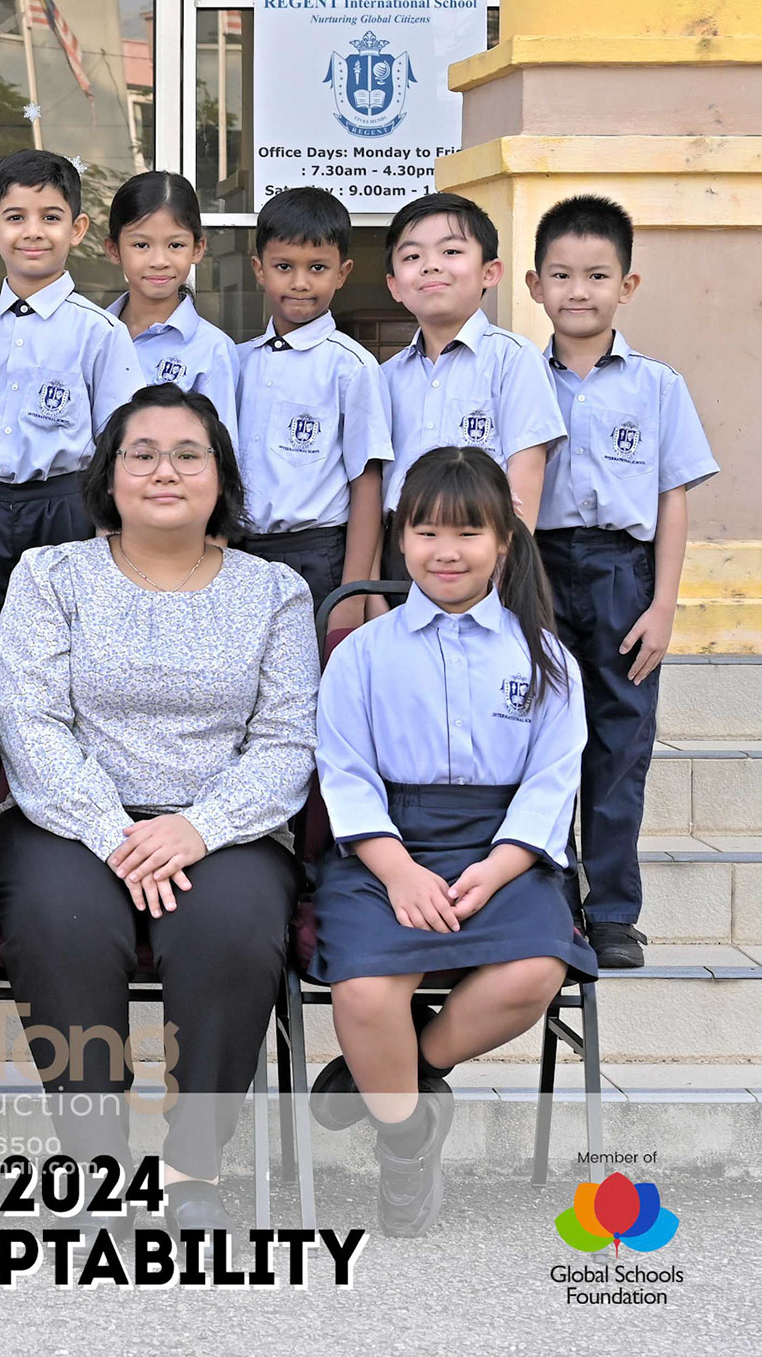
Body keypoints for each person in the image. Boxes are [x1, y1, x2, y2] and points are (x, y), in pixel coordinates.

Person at [0, 383, 317, 1237]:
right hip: (67, 822)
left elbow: (287, 742)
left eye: (188, 454)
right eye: (142, 454)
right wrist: (114, 832)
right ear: (108, 475)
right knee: (64, 922)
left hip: (223, 828)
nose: (165, 470)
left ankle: (191, 1164)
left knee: (232, 928)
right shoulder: (49, 575)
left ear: (220, 475)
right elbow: (28, 720)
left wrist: (197, 827)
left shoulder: (274, 592)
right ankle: (97, 1163)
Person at [310, 447, 598, 1238]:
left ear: (504, 540)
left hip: (502, 846)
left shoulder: (545, 658)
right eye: (427, 531)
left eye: (468, 532)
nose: (446, 551)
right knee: (365, 991)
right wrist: (397, 869)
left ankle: (405, 1067)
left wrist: (500, 867)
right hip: (385, 847)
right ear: (400, 537)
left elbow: (552, 781)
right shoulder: (362, 652)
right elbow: (344, 771)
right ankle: (407, 1141)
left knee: (535, 969)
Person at [527, 195, 719, 969]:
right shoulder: (519, 376)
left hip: (622, 573)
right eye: (562, 275)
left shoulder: (657, 385)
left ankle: (610, 911)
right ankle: (549, 901)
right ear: (535, 284)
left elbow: (672, 498)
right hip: (536, 566)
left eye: (597, 275)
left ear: (626, 286)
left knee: (619, 742)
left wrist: (663, 605)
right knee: (541, 736)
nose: (579, 291)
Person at [0, 149, 142, 679]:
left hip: (66, 507)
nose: (33, 232)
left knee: (64, 647)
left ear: (76, 229)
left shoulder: (100, 333)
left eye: (50, 217)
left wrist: (110, 534)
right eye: (16, 217)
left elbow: (123, 447)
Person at [235, 187, 393, 624]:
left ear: (342, 273)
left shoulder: (352, 367)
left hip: (317, 557)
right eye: (284, 266)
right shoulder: (237, 362)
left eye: (317, 268)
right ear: (259, 269)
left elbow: (366, 484)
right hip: (239, 555)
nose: (300, 283)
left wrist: (352, 595)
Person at [379, 193, 565, 550]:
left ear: (489, 272)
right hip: (400, 549)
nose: (431, 266)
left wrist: (507, 566)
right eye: (412, 257)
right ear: (394, 285)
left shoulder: (513, 360)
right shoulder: (385, 377)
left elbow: (526, 472)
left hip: (483, 550)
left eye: (451, 251)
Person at [103, 170, 239, 445]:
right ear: (114, 249)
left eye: (175, 245)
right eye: (141, 244)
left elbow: (221, 452)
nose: (159, 261)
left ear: (198, 248)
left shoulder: (212, 349)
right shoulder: (94, 335)